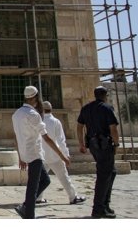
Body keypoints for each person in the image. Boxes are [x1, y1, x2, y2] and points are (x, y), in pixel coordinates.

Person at [11, 86, 70, 219]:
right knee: (33, 186)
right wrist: (62, 156)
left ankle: (25, 207)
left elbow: (16, 136)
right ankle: (29, 215)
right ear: (35, 98)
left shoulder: (17, 114)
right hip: (35, 154)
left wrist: (21, 156)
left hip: (27, 153)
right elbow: (46, 138)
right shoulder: (33, 115)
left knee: (45, 180)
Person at [77, 86, 120, 219]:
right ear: (105, 95)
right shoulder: (107, 108)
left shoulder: (86, 108)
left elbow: (79, 127)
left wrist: (82, 144)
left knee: (111, 172)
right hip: (104, 145)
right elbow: (113, 128)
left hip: (93, 145)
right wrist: (116, 143)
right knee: (103, 176)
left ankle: (105, 205)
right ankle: (98, 209)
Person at [36, 100, 86, 205]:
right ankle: (73, 197)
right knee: (64, 177)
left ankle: (38, 197)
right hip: (55, 155)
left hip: (42, 155)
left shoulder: (39, 121)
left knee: (40, 179)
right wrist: (65, 155)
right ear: (51, 109)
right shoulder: (55, 122)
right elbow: (61, 140)